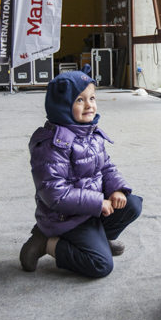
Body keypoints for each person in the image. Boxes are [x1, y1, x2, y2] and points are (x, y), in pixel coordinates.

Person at [19, 65, 142, 278]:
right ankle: (46, 243)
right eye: (79, 100)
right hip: (65, 216)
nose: (89, 105)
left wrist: (116, 190)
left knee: (132, 204)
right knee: (101, 265)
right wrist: (97, 202)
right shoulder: (51, 145)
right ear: (62, 105)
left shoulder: (90, 133)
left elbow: (106, 167)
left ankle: (100, 239)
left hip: (88, 208)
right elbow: (55, 195)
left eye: (92, 98)